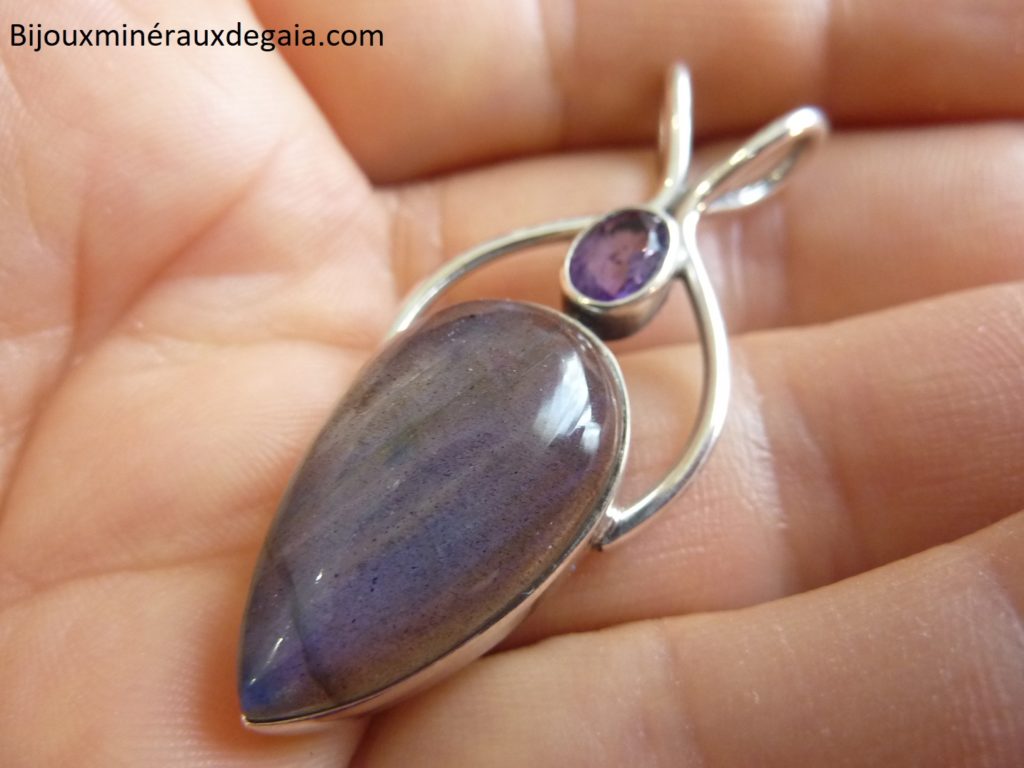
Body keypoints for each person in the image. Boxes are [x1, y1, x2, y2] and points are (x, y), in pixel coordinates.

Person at [0, 1, 1021, 766]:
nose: (613, 267)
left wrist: (607, 520)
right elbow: (432, 319)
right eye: (615, 254)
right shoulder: (488, 343)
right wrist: (603, 516)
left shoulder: (560, 388)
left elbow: (640, 454)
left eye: (630, 268)